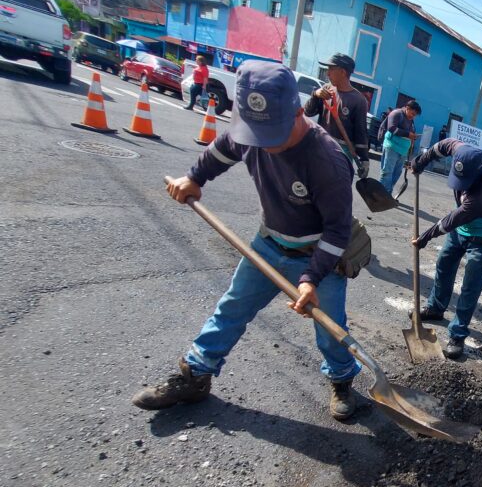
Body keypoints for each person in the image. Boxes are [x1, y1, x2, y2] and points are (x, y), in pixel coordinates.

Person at [133, 61, 362, 421]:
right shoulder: (249, 132)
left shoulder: (328, 161)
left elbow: (337, 231)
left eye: (273, 133)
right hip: (268, 244)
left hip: (319, 256)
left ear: (298, 112)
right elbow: (220, 152)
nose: (264, 145)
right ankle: (196, 375)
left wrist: (311, 279)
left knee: (331, 332)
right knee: (232, 308)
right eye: (256, 133)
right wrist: (194, 178)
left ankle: (342, 380)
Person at [408, 139, 482, 359]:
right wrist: (421, 161)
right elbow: (438, 148)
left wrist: (425, 237)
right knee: (445, 260)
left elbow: (449, 221)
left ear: (479, 175)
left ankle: (458, 334)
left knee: (471, 282)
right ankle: (436, 307)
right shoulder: (460, 149)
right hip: (463, 223)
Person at [304, 53, 370, 180]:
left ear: (343, 72)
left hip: (342, 152)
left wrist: (364, 159)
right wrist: (315, 95)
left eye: (331, 69)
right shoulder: (326, 90)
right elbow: (308, 112)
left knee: (336, 188)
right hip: (320, 145)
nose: (328, 73)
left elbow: (361, 132)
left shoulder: (358, 100)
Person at [379, 101, 421, 194]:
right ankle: (382, 194)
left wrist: (412, 137)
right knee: (387, 172)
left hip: (403, 151)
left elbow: (410, 132)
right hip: (392, 147)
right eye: (412, 113)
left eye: (415, 115)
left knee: (397, 173)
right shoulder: (397, 113)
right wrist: (408, 134)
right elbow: (391, 128)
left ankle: (387, 192)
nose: (413, 116)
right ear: (407, 107)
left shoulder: (411, 120)